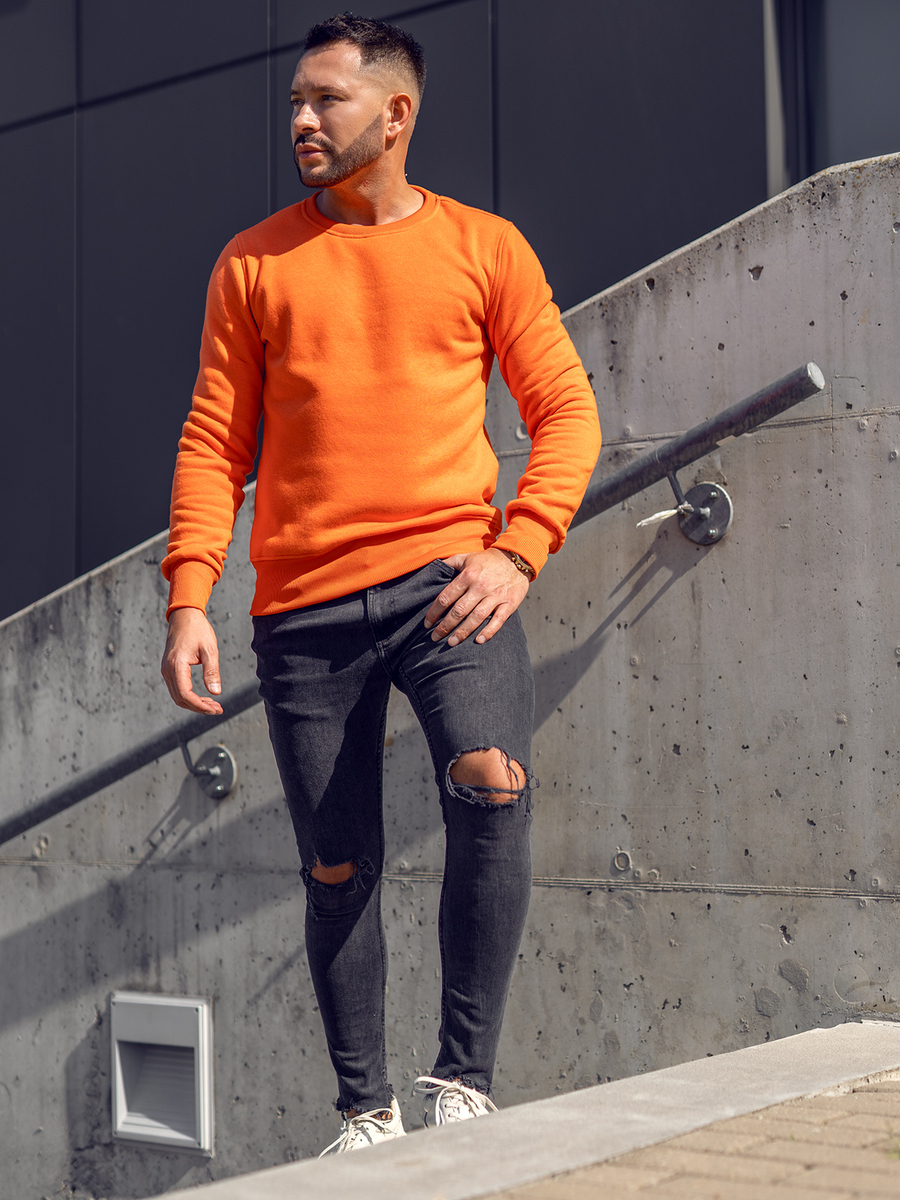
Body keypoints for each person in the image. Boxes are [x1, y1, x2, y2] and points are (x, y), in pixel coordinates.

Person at [160, 12, 601, 1156]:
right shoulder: (252, 263)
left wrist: (519, 548)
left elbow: (566, 411)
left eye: (327, 101)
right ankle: (365, 1113)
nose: (302, 121)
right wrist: (189, 595)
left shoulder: (485, 248)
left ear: (396, 114)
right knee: (337, 861)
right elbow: (214, 442)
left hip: (450, 583)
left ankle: (464, 1080)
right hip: (302, 613)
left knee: (491, 780)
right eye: (295, 103)